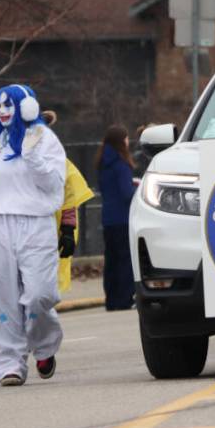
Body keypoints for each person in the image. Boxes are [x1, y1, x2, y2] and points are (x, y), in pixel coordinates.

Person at [0, 84, 67, 386]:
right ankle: (8, 364)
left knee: (40, 294)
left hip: (36, 223)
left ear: (26, 107)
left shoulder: (45, 140)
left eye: (9, 105)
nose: (3, 111)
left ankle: (45, 344)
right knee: (1, 301)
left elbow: (54, 186)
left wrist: (32, 156)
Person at [0, 110, 93, 296]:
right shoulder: (1, 155)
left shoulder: (51, 157)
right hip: (11, 233)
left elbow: (67, 191)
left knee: (38, 290)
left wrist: (68, 229)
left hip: (42, 232)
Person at [97, 125, 136, 311]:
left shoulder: (102, 163)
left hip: (108, 218)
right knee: (125, 260)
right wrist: (137, 188)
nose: (128, 141)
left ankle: (111, 298)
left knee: (111, 261)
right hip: (123, 218)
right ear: (121, 141)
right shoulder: (121, 164)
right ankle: (124, 298)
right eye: (126, 138)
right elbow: (126, 193)